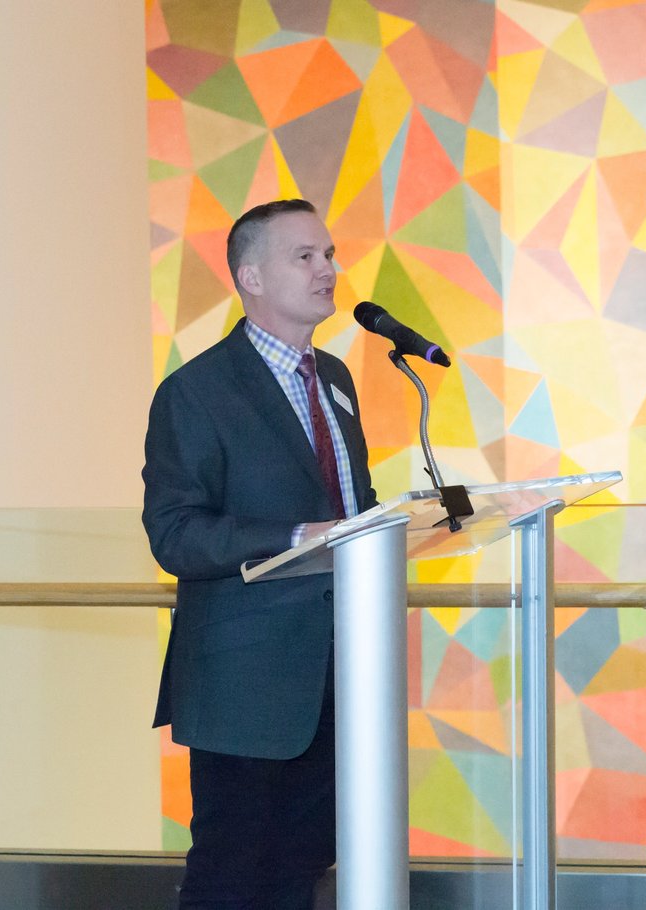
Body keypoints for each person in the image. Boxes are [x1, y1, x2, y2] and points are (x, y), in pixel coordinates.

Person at [143, 198, 378, 909]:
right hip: (246, 687)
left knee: (302, 873)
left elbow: (351, 509)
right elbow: (175, 532)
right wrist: (291, 537)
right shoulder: (198, 392)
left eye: (330, 254)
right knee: (233, 877)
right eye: (305, 256)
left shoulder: (334, 377)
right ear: (250, 276)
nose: (328, 270)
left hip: (339, 676)